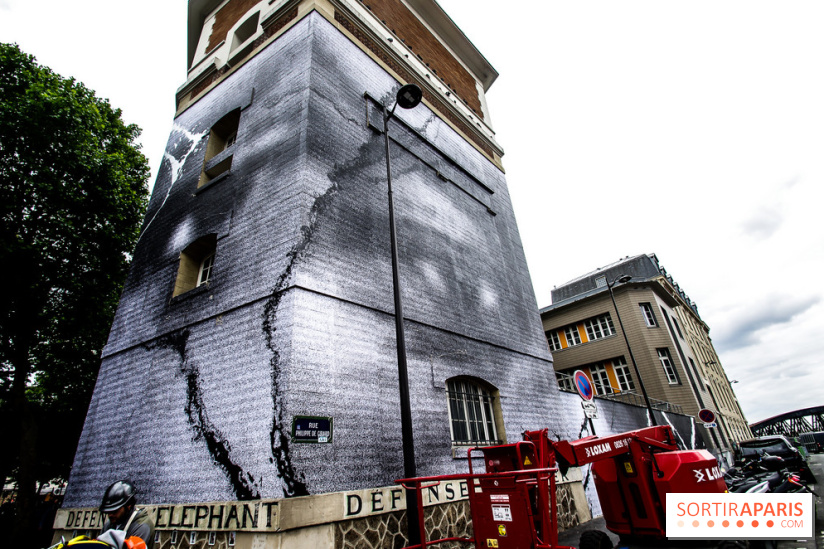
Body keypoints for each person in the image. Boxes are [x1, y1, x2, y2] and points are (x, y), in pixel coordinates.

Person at [98, 480, 155, 549]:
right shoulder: (110, 523)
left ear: (128, 505)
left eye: (115, 511)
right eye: (108, 511)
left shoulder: (142, 527)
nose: (110, 515)